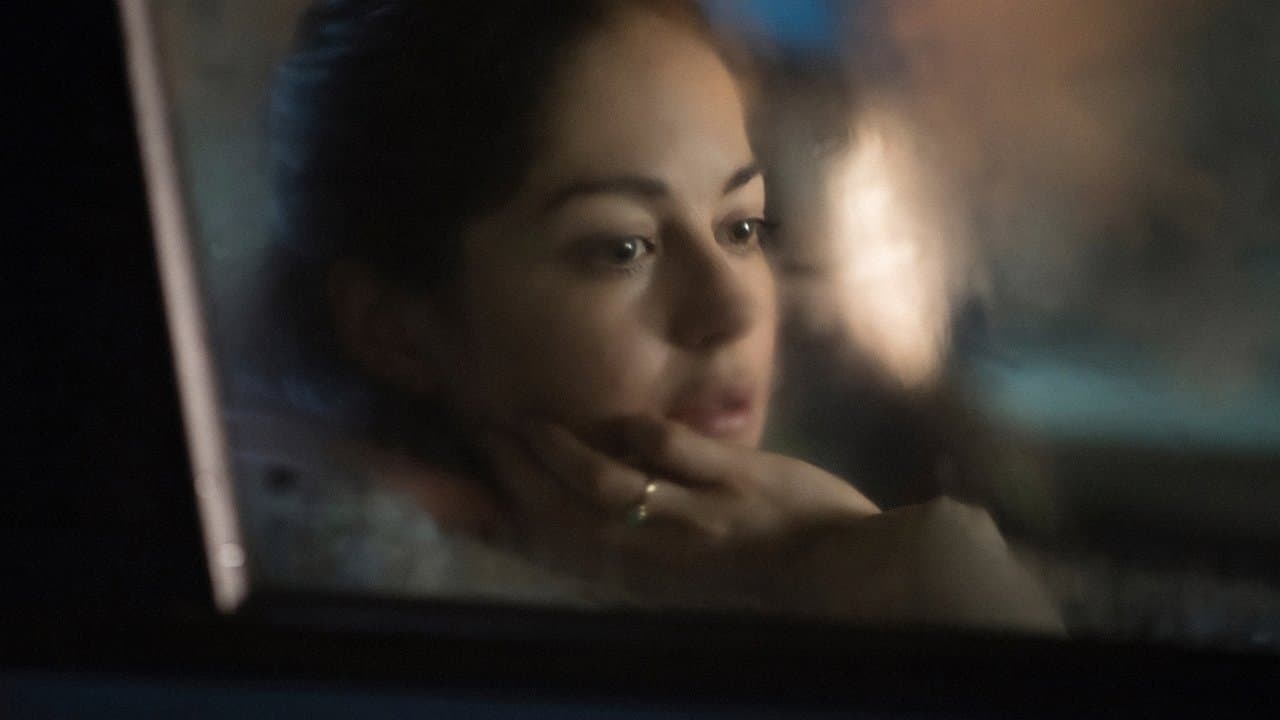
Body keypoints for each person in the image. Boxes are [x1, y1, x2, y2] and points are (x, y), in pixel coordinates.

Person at [244, 0, 1061, 632]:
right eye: (623, 248)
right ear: (392, 328)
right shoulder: (378, 615)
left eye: (742, 228)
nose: (732, 309)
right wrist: (899, 570)